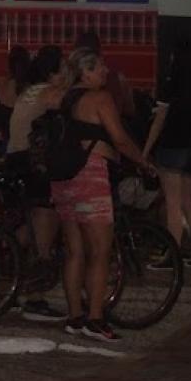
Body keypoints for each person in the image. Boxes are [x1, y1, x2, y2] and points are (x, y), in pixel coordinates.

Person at [52, 48, 152, 342]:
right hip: (90, 177)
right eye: (101, 68)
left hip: (63, 180)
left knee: (74, 251)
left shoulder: (64, 98)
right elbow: (119, 138)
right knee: (100, 252)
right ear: (86, 72)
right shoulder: (100, 99)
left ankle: (74, 316)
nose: (106, 72)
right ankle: (95, 319)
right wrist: (144, 162)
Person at [3, 45, 66, 321]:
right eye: (64, 67)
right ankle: (36, 298)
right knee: (44, 235)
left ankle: (13, 283)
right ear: (54, 72)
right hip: (35, 167)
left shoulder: (28, 91)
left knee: (27, 231)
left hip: (16, 162)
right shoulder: (51, 93)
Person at [147, 39, 191, 267]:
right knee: (189, 202)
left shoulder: (171, 85)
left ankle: (172, 255)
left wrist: (145, 152)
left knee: (173, 204)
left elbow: (159, 121)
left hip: (172, 147)